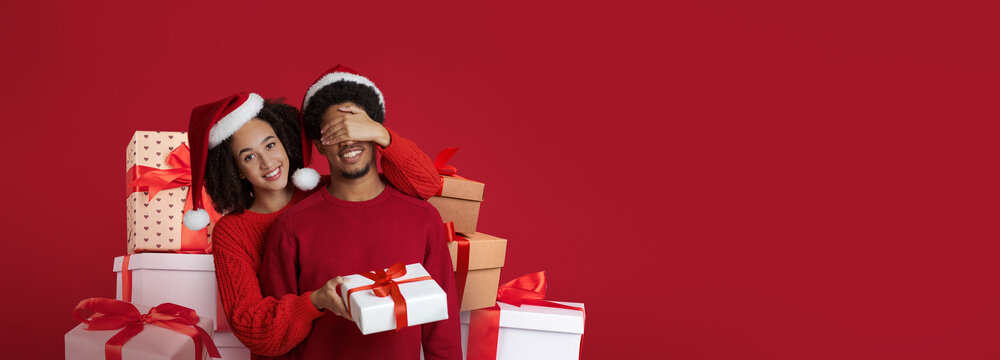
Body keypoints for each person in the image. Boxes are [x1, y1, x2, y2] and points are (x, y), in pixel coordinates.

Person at [183, 87, 443, 358]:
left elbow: (427, 185)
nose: (267, 162)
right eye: (249, 156)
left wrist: (380, 133)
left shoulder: (326, 192)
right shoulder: (232, 232)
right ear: (234, 168)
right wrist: (313, 302)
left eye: (270, 145)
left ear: (285, 141)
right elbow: (251, 328)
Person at [261, 65, 462, 360]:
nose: (348, 140)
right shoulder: (292, 226)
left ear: (377, 133)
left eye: (357, 127)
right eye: (334, 132)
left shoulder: (422, 218)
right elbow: (277, 335)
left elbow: (441, 330)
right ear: (319, 144)